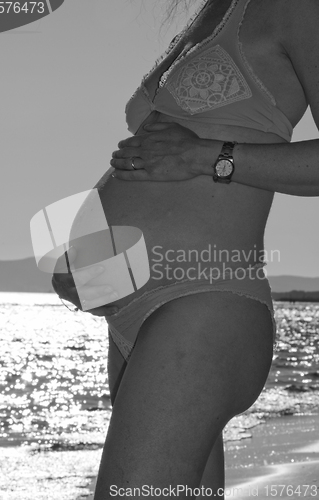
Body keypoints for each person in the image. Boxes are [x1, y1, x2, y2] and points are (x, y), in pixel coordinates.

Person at [52, 0, 319, 497]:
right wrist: (88, 273)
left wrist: (208, 158)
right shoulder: (213, 8)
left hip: (202, 307)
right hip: (139, 316)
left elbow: (193, 153)